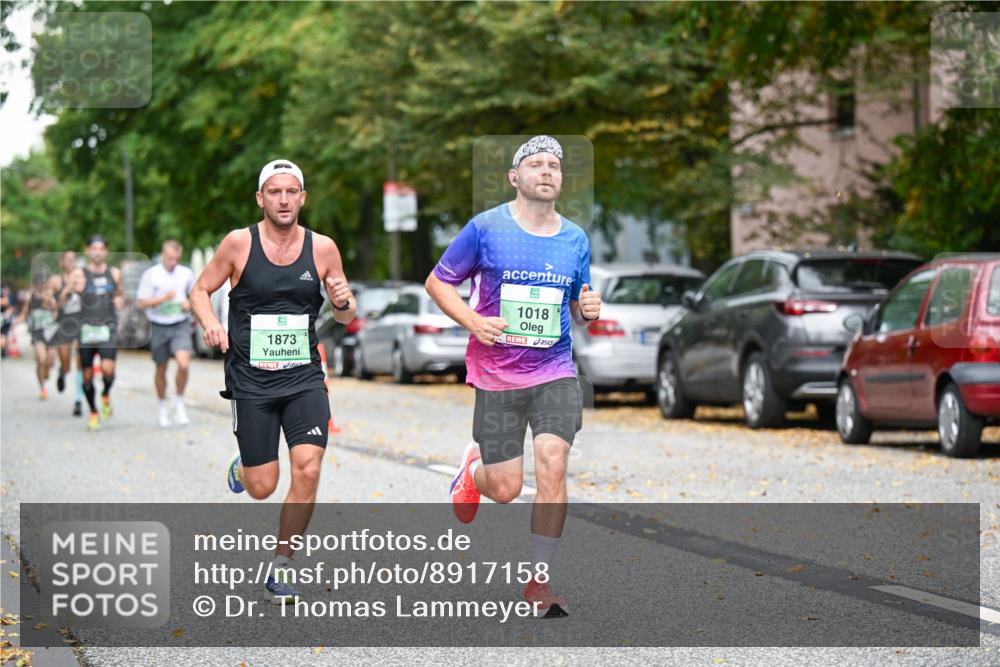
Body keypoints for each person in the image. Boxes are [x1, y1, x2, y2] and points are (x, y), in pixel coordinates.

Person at [425, 136, 602, 618]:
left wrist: (588, 310)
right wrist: (473, 321)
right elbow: (438, 282)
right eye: (536, 164)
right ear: (514, 176)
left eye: (554, 166)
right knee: (504, 489)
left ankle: (539, 581)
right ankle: (472, 471)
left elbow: (578, 305)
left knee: (553, 463)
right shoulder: (485, 228)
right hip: (496, 374)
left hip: (555, 371)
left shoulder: (575, 239)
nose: (546, 171)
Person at [191, 159, 355, 604]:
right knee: (262, 487)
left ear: (303, 198)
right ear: (260, 199)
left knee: (309, 468)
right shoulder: (238, 244)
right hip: (251, 380)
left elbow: (344, 313)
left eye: (291, 192)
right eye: (275, 192)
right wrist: (210, 323)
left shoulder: (323, 249)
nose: (283, 200)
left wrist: (344, 303)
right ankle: (244, 465)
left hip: (303, 377)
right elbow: (200, 290)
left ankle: (282, 566)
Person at [137, 240, 196, 428]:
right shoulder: (151, 274)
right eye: (170, 258)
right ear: (163, 255)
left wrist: (189, 303)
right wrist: (163, 298)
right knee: (161, 368)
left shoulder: (186, 273)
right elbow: (142, 302)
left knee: (183, 363)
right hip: (159, 325)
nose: (173, 262)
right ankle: (162, 405)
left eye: (177, 259)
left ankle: (179, 401)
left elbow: (196, 295)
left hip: (180, 323)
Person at [75, 235, 125, 431]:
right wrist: (72, 290)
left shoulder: (115, 273)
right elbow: (67, 299)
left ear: (106, 252)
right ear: (88, 251)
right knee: (87, 375)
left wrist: (120, 300)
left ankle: (105, 393)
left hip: (107, 328)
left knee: (107, 369)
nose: (97, 252)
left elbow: (121, 295)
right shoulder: (79, 274)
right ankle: (94, 412)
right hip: (86, 329)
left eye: (101, 248)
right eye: (94, 248)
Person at [52, 250, 86, 417]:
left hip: (81, 324)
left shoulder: (82, 278)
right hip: (64, 325)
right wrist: (67, 289)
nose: (71, 262)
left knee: (81, 361)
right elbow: (54, 306)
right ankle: (62, 372)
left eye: (74, 259)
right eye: (68, 259)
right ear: (62, 262)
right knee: (66, 361)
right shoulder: (56, 281)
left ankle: (78, 400)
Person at [18, 273, 59, 399]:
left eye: (44, 283)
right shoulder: (31, 297)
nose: (42, 286)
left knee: (50, 360)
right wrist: (18, 321)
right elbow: (25, 312)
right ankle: (42, 389)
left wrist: (51, 302)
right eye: (39, 283)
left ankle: (47, 369)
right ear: (36, 284)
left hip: (51, 332)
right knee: (41, 359)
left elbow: (57, 312)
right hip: (37, 332)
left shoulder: (52, 296)